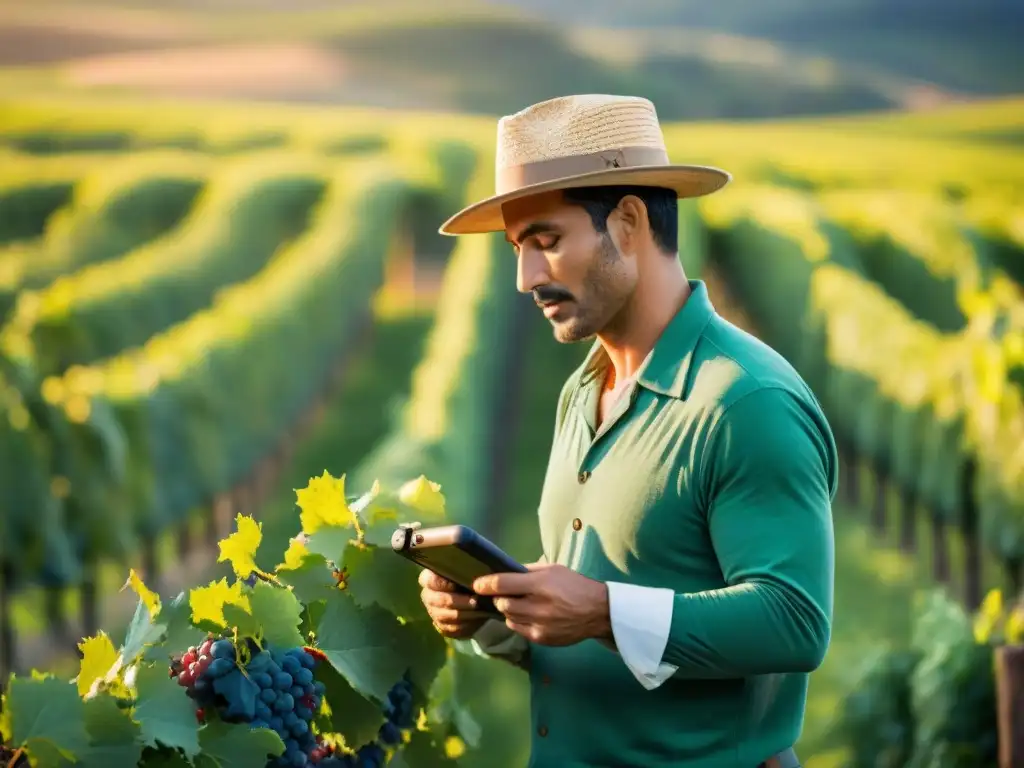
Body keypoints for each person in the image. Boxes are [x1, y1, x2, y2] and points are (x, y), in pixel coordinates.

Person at [418, 94, 837, 768]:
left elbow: (794, 621)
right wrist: (498, 614)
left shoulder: (746, 402)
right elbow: (610, 620)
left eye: (546, 242)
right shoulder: (583, 389)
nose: (526, 278)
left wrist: (602, 610)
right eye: (517, 249)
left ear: (629, 221)